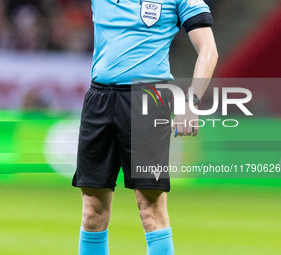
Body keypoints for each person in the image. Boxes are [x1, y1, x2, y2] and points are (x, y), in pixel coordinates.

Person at [72, 0, 218, 254]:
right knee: (92, 210)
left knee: (150, 208)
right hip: (100, 98)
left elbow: (209, 50)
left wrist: (192, 102)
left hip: (148, 99)